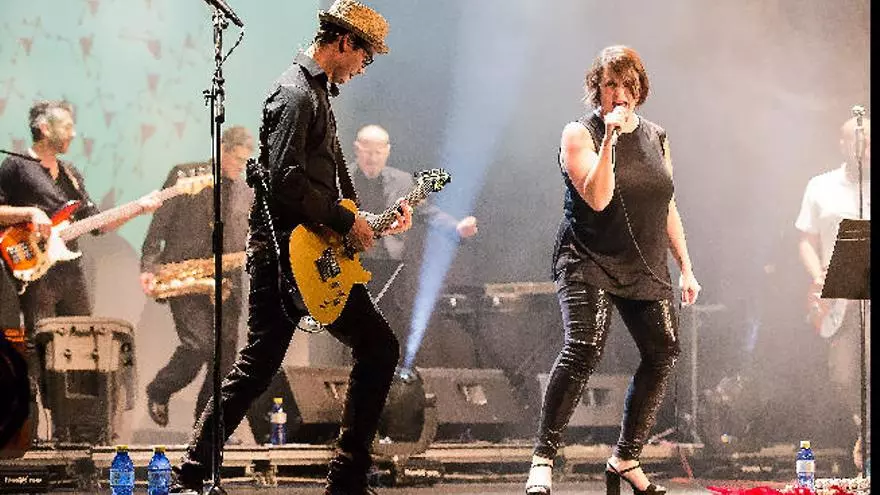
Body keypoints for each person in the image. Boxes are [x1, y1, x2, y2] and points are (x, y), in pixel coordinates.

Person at [169, 2, 412, 494]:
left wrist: (366, 221)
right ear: (343, 42)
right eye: (365, 56)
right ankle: (340, 478)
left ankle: (196, 471)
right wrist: (345, 219)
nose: (364, 68)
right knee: (361, 350)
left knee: (270, 364)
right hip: (285, 255)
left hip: (308, 253)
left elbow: (318, 186)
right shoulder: (296, 93)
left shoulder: (315, 93)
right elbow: (286, 182)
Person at [524, 45, 700, 495]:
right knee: (584, 347)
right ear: (596, 89)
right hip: (588, 257)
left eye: (628, 85)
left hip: (643, 260)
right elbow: (599, 198)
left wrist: (686, 267)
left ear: (640, 90)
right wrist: (609, 140)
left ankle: (625, 457)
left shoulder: (658, 136)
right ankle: (543, 458)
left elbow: (666, 204)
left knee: (663, 351)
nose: (619, 94)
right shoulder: (578, 134)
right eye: (610, 85)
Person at [0, 100, 162, 441]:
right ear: (44, 128)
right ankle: (32, 434)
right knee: (38, 349)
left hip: (70, 272)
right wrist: (30, 213)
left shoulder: (71, 173)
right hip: (35, 273)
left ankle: (73, 432)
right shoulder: (15, 166)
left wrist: (139, 208)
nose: (73, 133)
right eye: (67, 126)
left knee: (80, 348)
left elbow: (97, 224)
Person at [139, 126, 260, 432]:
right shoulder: (185, 174)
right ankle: (160, 389)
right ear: (221, 150)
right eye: (236, 159)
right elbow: (159, 223)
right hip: (186, 275)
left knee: (225, 360)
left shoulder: (247, 190)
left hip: (228, 280)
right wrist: (149, 266)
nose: (240, 167)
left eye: (245, 161)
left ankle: (206, 430)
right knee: (198, 346)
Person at [351, 124, 478, 347]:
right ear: (357, 149)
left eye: (378, 152)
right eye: (367, 152)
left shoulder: (402, 182)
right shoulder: (341, 178)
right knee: (352, 323)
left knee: (390, 323)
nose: (372, 158)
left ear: (387, 151)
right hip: (350, 263)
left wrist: (456, 228)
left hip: (390, 266)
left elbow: (427, 213)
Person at [795, 114, 870, 472]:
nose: (862, 148)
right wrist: (818, 277)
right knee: (842, 373)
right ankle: (864, 427)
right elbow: (805, 241)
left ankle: (867, 440)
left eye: (868, 142)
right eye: (857, 140)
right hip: (839, 292)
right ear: (842, 144)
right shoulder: (820, 186)